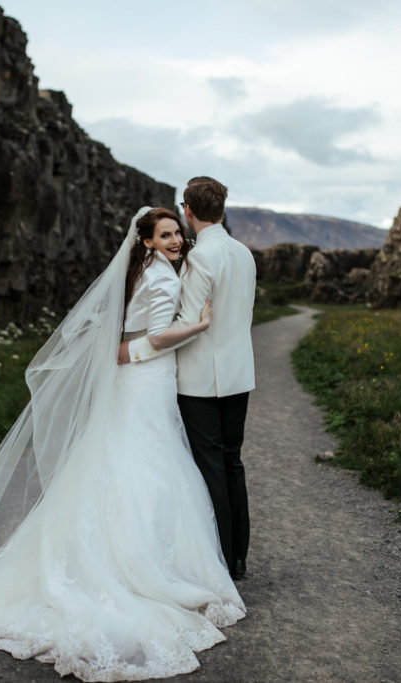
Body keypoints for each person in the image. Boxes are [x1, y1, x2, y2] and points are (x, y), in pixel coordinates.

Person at [0, 207, 245, 681]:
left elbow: (124, 331)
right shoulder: (163, 276)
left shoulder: (140, 270)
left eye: (178, 233)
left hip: (133, 381)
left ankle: (114, 552)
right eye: (165, 235)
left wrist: (126, 350)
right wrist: (198, 326)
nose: (176, 241)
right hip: (148, 378)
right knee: (150, 466)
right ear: (146, 240)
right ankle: (143, 565)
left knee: (121, 459)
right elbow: (154, 336)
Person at [120, 177, 256, 581]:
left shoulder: (199, 259)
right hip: (239, 375)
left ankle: (220, 557)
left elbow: (185, 322)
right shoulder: (244, 253)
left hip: (200, 381)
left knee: (210, 466)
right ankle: (240, 556)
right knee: (233, 463)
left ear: (188, 211)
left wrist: (133, 352)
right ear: (223, 208)